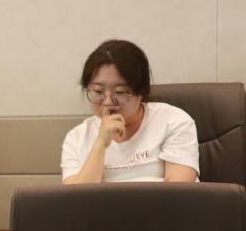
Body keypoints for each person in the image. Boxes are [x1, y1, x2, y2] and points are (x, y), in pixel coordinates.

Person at [62, 39, 199, 183]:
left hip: (159, 199)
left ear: (141, 92)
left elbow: (179, 192)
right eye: (98, 91)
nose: (108, 102)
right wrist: (100, 144)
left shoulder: (173, 122)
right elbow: (77, 196)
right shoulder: (77, 138)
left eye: (120, 92)